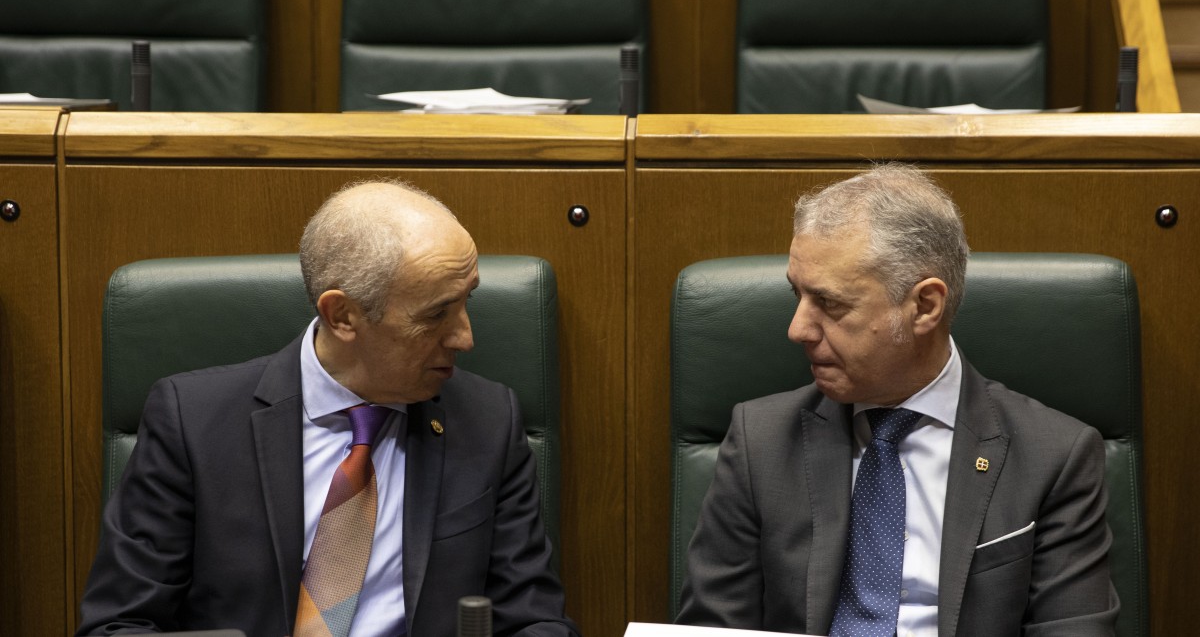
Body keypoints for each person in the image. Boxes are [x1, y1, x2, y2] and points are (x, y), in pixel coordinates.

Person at [77, 180, 579, 636]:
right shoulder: (192, 422)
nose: (466, 337)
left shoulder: (490, 421)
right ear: (342, 315)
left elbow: (534, 621)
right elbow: (118, 626)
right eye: (435, 315)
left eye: (466, 301)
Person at [676, 164, 1118, 636]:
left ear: (925, 306)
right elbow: (714, 628)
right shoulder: (759, 442)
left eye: (829, 304)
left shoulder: (1053, 455)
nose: (797, 329)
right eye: (797, 294)